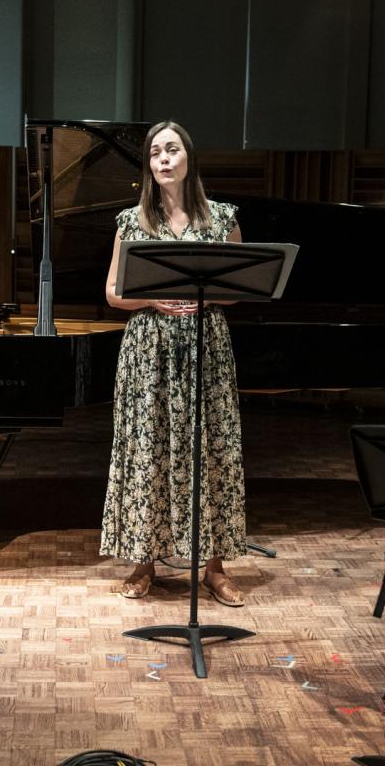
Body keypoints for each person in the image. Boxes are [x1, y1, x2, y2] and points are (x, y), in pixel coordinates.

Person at [99, 120, 248, 607]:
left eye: (172, 150)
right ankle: (144, 564)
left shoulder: (222, 219)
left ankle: (215, 569)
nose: (163, 159)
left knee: (211, 451)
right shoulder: (131, 221)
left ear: (189, 158)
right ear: (149, 165)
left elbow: (239, 290)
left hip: (206, 348)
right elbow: (114, 293)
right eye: (155, 152)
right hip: (150, 351)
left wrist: (208, 297)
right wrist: (155, 301)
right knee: (150, 451)